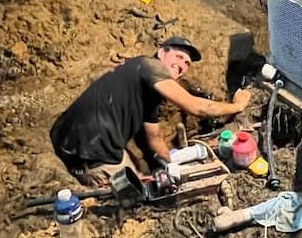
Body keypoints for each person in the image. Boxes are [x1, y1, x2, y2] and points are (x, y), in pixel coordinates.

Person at [50, 35, 250, 185]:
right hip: (89, 153)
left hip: (67, 136)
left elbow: (153, 138)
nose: (182, 65)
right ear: (161, 52)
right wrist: (238, 106)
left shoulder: (148, 89)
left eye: (186, 64)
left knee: (144, 178)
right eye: (179, 57)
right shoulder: (150, 67)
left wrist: (172, 161)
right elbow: (196, 106)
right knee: (140, 193)